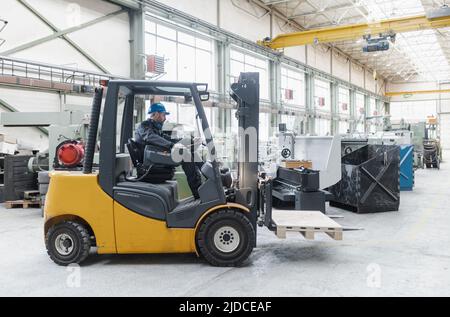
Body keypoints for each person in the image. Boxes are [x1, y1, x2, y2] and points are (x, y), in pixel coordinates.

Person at [135, 102, 203, 200]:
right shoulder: (144, 126)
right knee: (185, 155)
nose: (165, 118)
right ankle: (198, 193)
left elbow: (166, 138)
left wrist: (190, 140)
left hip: (155, 156)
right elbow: (151, 137)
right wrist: (172, 145)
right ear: (157, 114)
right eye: (163, 115)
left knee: (190, 150)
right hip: (150, 160)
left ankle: (206, 174)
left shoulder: (154, 127)